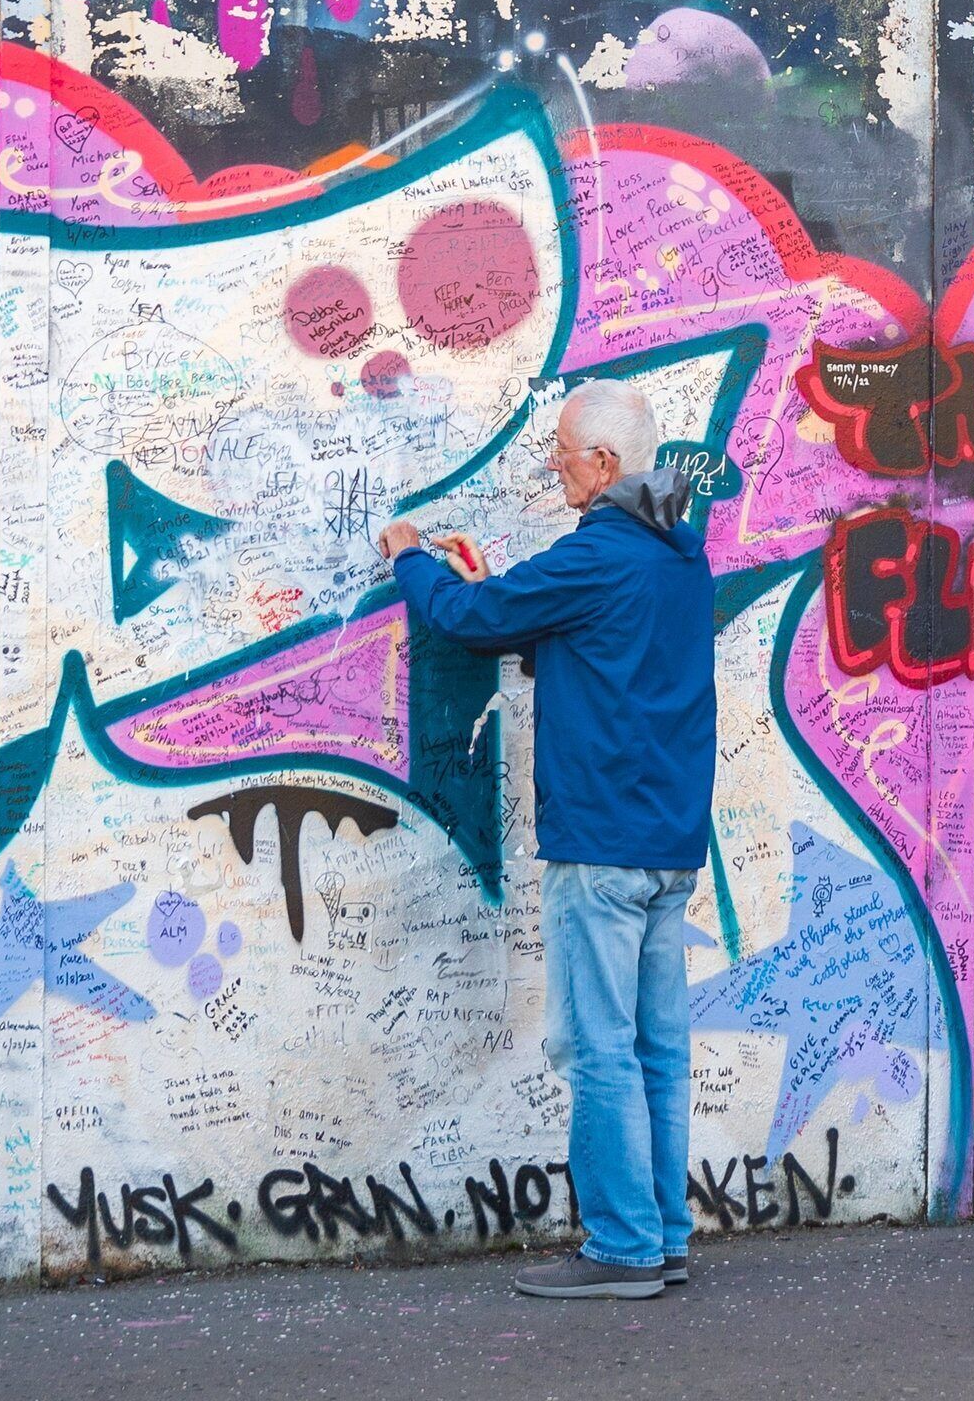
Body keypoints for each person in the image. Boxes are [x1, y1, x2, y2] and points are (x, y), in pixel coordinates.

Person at [380, 378, 713, 1300]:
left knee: (597, 1047)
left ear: (603, 465)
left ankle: (621, 1249)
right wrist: (512, 607)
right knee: (657, 1049)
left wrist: (410, 556)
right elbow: (601, 647)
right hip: (669, 841)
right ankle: (664, 1236)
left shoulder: (596, 554)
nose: (554, 467)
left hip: (600, 844)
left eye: (561, 454)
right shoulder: (679, 557)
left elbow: (463, 620)